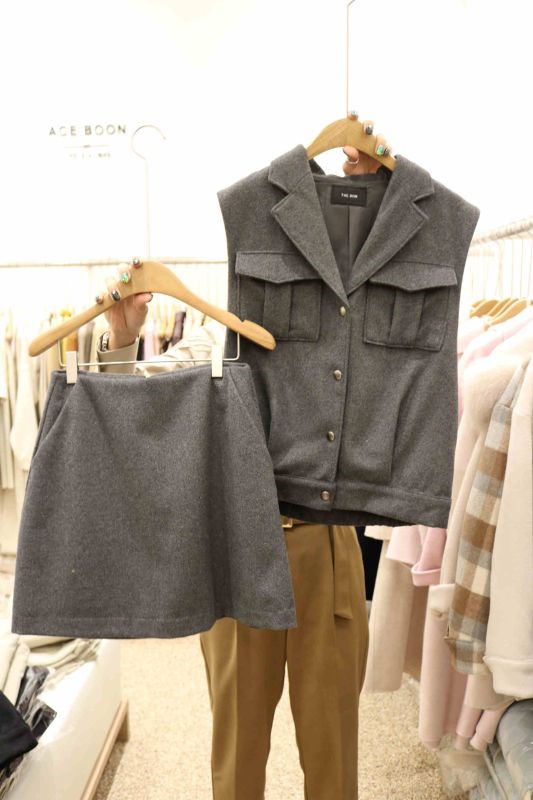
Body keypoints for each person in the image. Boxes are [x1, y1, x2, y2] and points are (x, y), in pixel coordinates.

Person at [97, 114, 392, 800]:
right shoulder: (214, 339)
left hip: (326, 549)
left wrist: (381, 200)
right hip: (235, 554)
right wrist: (123, 339)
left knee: (333, 757)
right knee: (237, 754)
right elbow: (135, 416)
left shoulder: (354, 332)